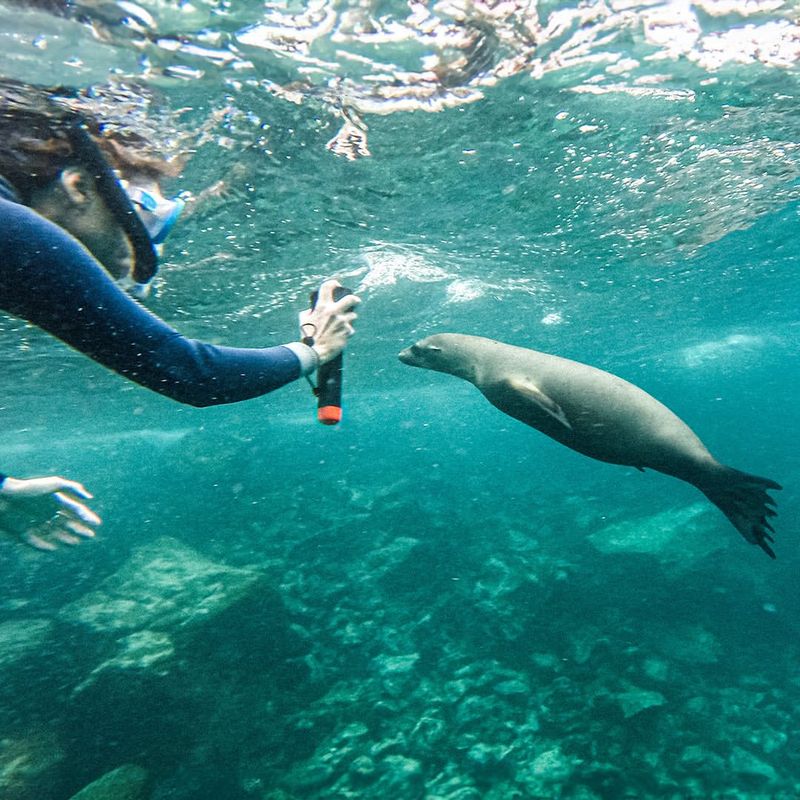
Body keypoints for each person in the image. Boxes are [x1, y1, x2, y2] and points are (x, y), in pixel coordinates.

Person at [0, 79, 360, 550]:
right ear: (79, 186)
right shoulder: (15, 236)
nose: (155, 245)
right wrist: (315, 350)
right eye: (148, 216)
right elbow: (193, 374)